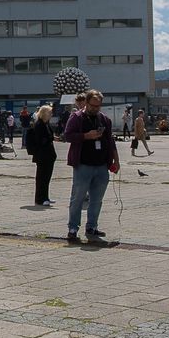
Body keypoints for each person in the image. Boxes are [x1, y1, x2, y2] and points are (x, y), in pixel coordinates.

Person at [64, 90, 119, 243]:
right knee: (78, 198)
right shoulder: (76, 118)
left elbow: (110, 141)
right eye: (93, 105)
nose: (96, 108)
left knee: (97, 199)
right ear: (86, 103)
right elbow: (67, 136)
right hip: (83, 164)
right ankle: (73, 228)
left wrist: (116, 160)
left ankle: (92, 226)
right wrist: (86, 136)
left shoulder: (104, 120)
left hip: (101, 165)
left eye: (98, 106)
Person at [28, 104, 58, 206]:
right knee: (41, 177)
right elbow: (41, 140)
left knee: (47, 177)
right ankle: (40, 198)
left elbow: (49, 136)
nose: (51, 114)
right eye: (50, 112)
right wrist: (50, 138)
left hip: (49, 155)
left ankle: (46, 197)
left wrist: (54, 138)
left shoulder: (46, 124)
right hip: (42, 155)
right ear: (44, 113)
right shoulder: (39, 124)